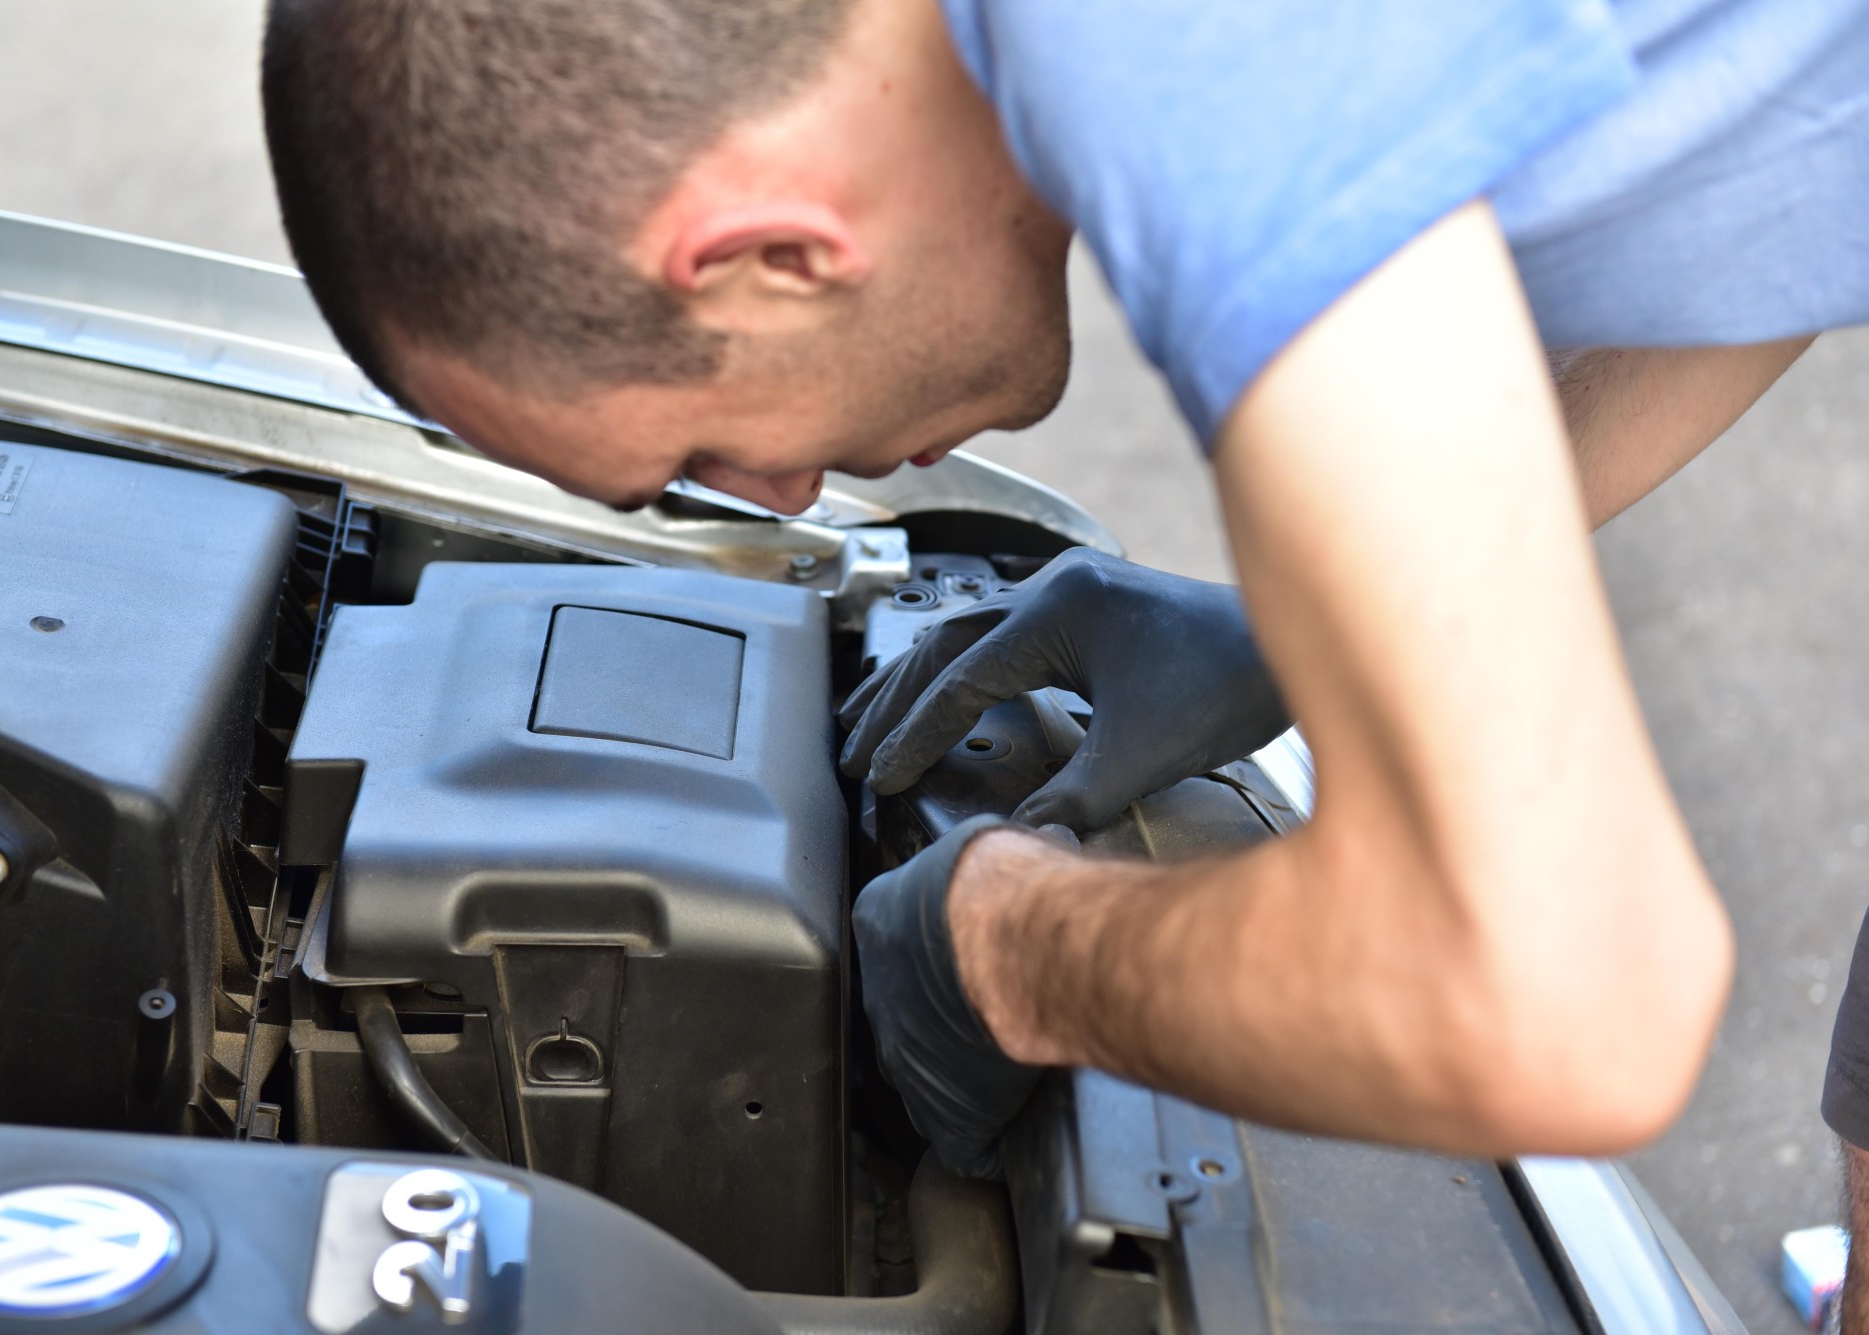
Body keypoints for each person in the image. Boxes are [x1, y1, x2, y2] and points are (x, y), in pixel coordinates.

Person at [258, 0, 1869, 1287]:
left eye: (704, 451)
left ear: (769, 253)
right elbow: (1767, 143)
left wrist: (1016, 952)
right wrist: (1320, 626)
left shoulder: (1195, 71)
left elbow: (1573, 1003)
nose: (783, 494)